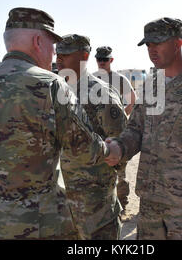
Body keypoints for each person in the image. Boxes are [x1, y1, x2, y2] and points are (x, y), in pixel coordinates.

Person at [0, 8, 109, 240]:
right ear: (37, 41)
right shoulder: (52, 85)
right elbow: (85, 151)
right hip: (36, 225)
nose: (54, 54)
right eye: (52, 45)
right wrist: (109, 148)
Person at [105, 17, 182, 240]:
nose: (152, 50)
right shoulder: (151, 87)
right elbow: (135, 129)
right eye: (148, 45)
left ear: (177, 43)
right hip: (151, 201)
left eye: (158, 43)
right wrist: (119, 147)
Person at [56, 34, 127, 239]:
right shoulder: (57, 90)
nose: (59, 59)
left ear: (84, 56)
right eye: (58, 54)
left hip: (95, 206)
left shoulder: (101, 93)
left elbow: (120, 148)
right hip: (61, 203)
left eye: (66, 54)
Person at [93, 46, 135, 214]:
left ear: (111, 60)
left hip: (116, 133)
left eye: (105, 59)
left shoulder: (119, 79)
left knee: (120, 173)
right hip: (97, 134)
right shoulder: (92, 79)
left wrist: (122, 117)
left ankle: (122, 206)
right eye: (99, 59)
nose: (102, 62)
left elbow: (132, 100)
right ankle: (103, 207)